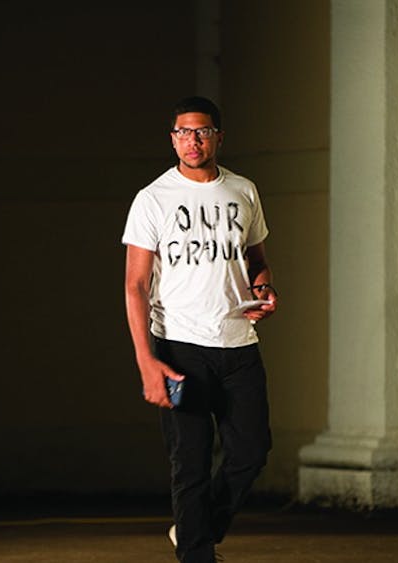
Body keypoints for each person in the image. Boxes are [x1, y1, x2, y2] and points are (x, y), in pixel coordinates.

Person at [123, 96, 277, 563]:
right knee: (189, 463)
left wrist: (266, 291)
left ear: (218, 137)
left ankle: (195, 529)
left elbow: (257, 260)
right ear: (172, 139)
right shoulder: (153, 199)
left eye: (202, 131)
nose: (193, 141)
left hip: (238, 345)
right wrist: (147, 361)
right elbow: (134, 285)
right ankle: (196, 553)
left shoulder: (243, 191)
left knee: (252, 451)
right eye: (184, 133)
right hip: (178, 349)